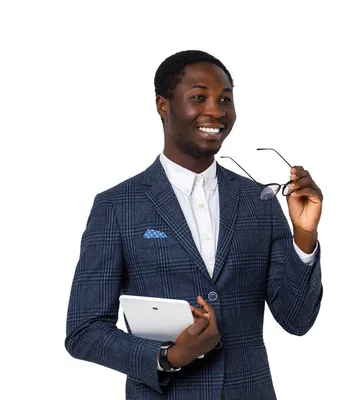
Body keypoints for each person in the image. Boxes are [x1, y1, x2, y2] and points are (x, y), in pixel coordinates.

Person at [65, 50, 323, 399]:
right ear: (163, 105)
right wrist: (167, 357)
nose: (215, 110)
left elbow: (297, 320)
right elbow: (84, 330)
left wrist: (304, 236)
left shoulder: (258, 200)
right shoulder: (117, 206)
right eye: (199, 97)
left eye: (225, 99)